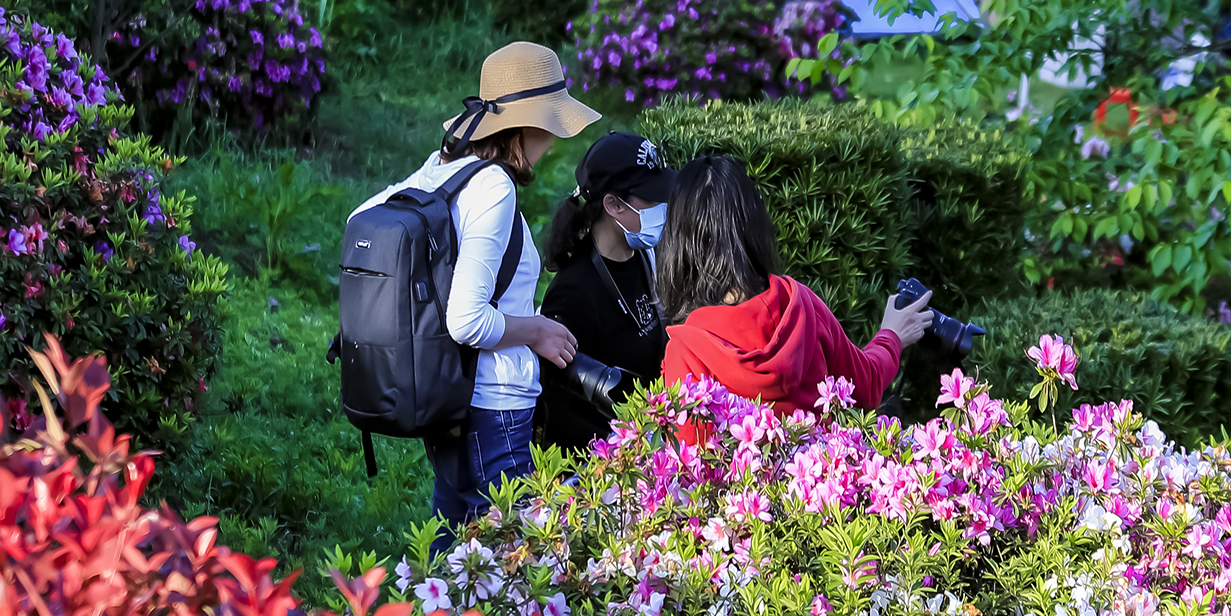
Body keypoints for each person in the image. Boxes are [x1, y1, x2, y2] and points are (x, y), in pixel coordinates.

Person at [350, 40, 598, 525]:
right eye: (550, 123)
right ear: (526, 125)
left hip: (449, 400)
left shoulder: (443, 170)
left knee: (456, 551)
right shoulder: (493, 186)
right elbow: (466, 320)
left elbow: (361, 219)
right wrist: (537, 331)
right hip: (493, 408)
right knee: (513, 571)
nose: (554, 139)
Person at [658, 155, 934, 413]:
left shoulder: (686, 349)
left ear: (679, 244)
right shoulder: (799, 303)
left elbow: (690, 461)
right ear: (755, 226)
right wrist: (891, 335)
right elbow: (867, 384)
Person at [534, 131, 675, 446]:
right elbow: (556, 406)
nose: (662, 205)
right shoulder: (573, 293)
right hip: (607, 465)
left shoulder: (646, 256)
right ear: (613, 205)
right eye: (651, 197)